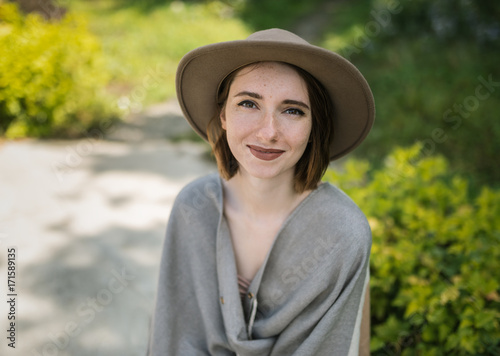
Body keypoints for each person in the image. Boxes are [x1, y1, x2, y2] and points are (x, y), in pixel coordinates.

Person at [147, 28, 375, 356]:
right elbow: (173, 335)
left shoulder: (342, 235)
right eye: (249, 103)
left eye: (292, 110)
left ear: (315, 127)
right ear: (223, 114)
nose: (268, 132)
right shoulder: (194, 208)